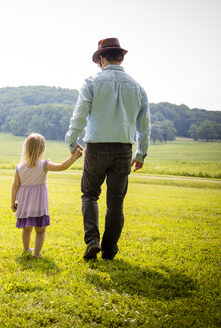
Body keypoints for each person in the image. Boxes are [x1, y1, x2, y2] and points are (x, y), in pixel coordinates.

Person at [65, 37, 151, 260]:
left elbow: (80, 115)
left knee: (90, 195)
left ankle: (92, 241)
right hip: (124, 149)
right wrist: (141, 153)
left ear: (101, 58)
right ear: (121, 57)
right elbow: (144, 127)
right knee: (116, 202)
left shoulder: (91, 83)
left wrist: (72, 141)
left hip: (95, 147)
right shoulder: (138, 88)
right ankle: (109, 250)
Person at [11, 133, 82, 258]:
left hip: (25, 204)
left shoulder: (19, 167)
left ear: (26, 148)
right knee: (40, 230)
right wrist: (75, 156)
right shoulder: (44, 165)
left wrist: (13, 202)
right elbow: (62, 166)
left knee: (27, 228)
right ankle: (37, 254)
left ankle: (26, 249)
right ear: (42, 149)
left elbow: (15, 186)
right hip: (38, 204)